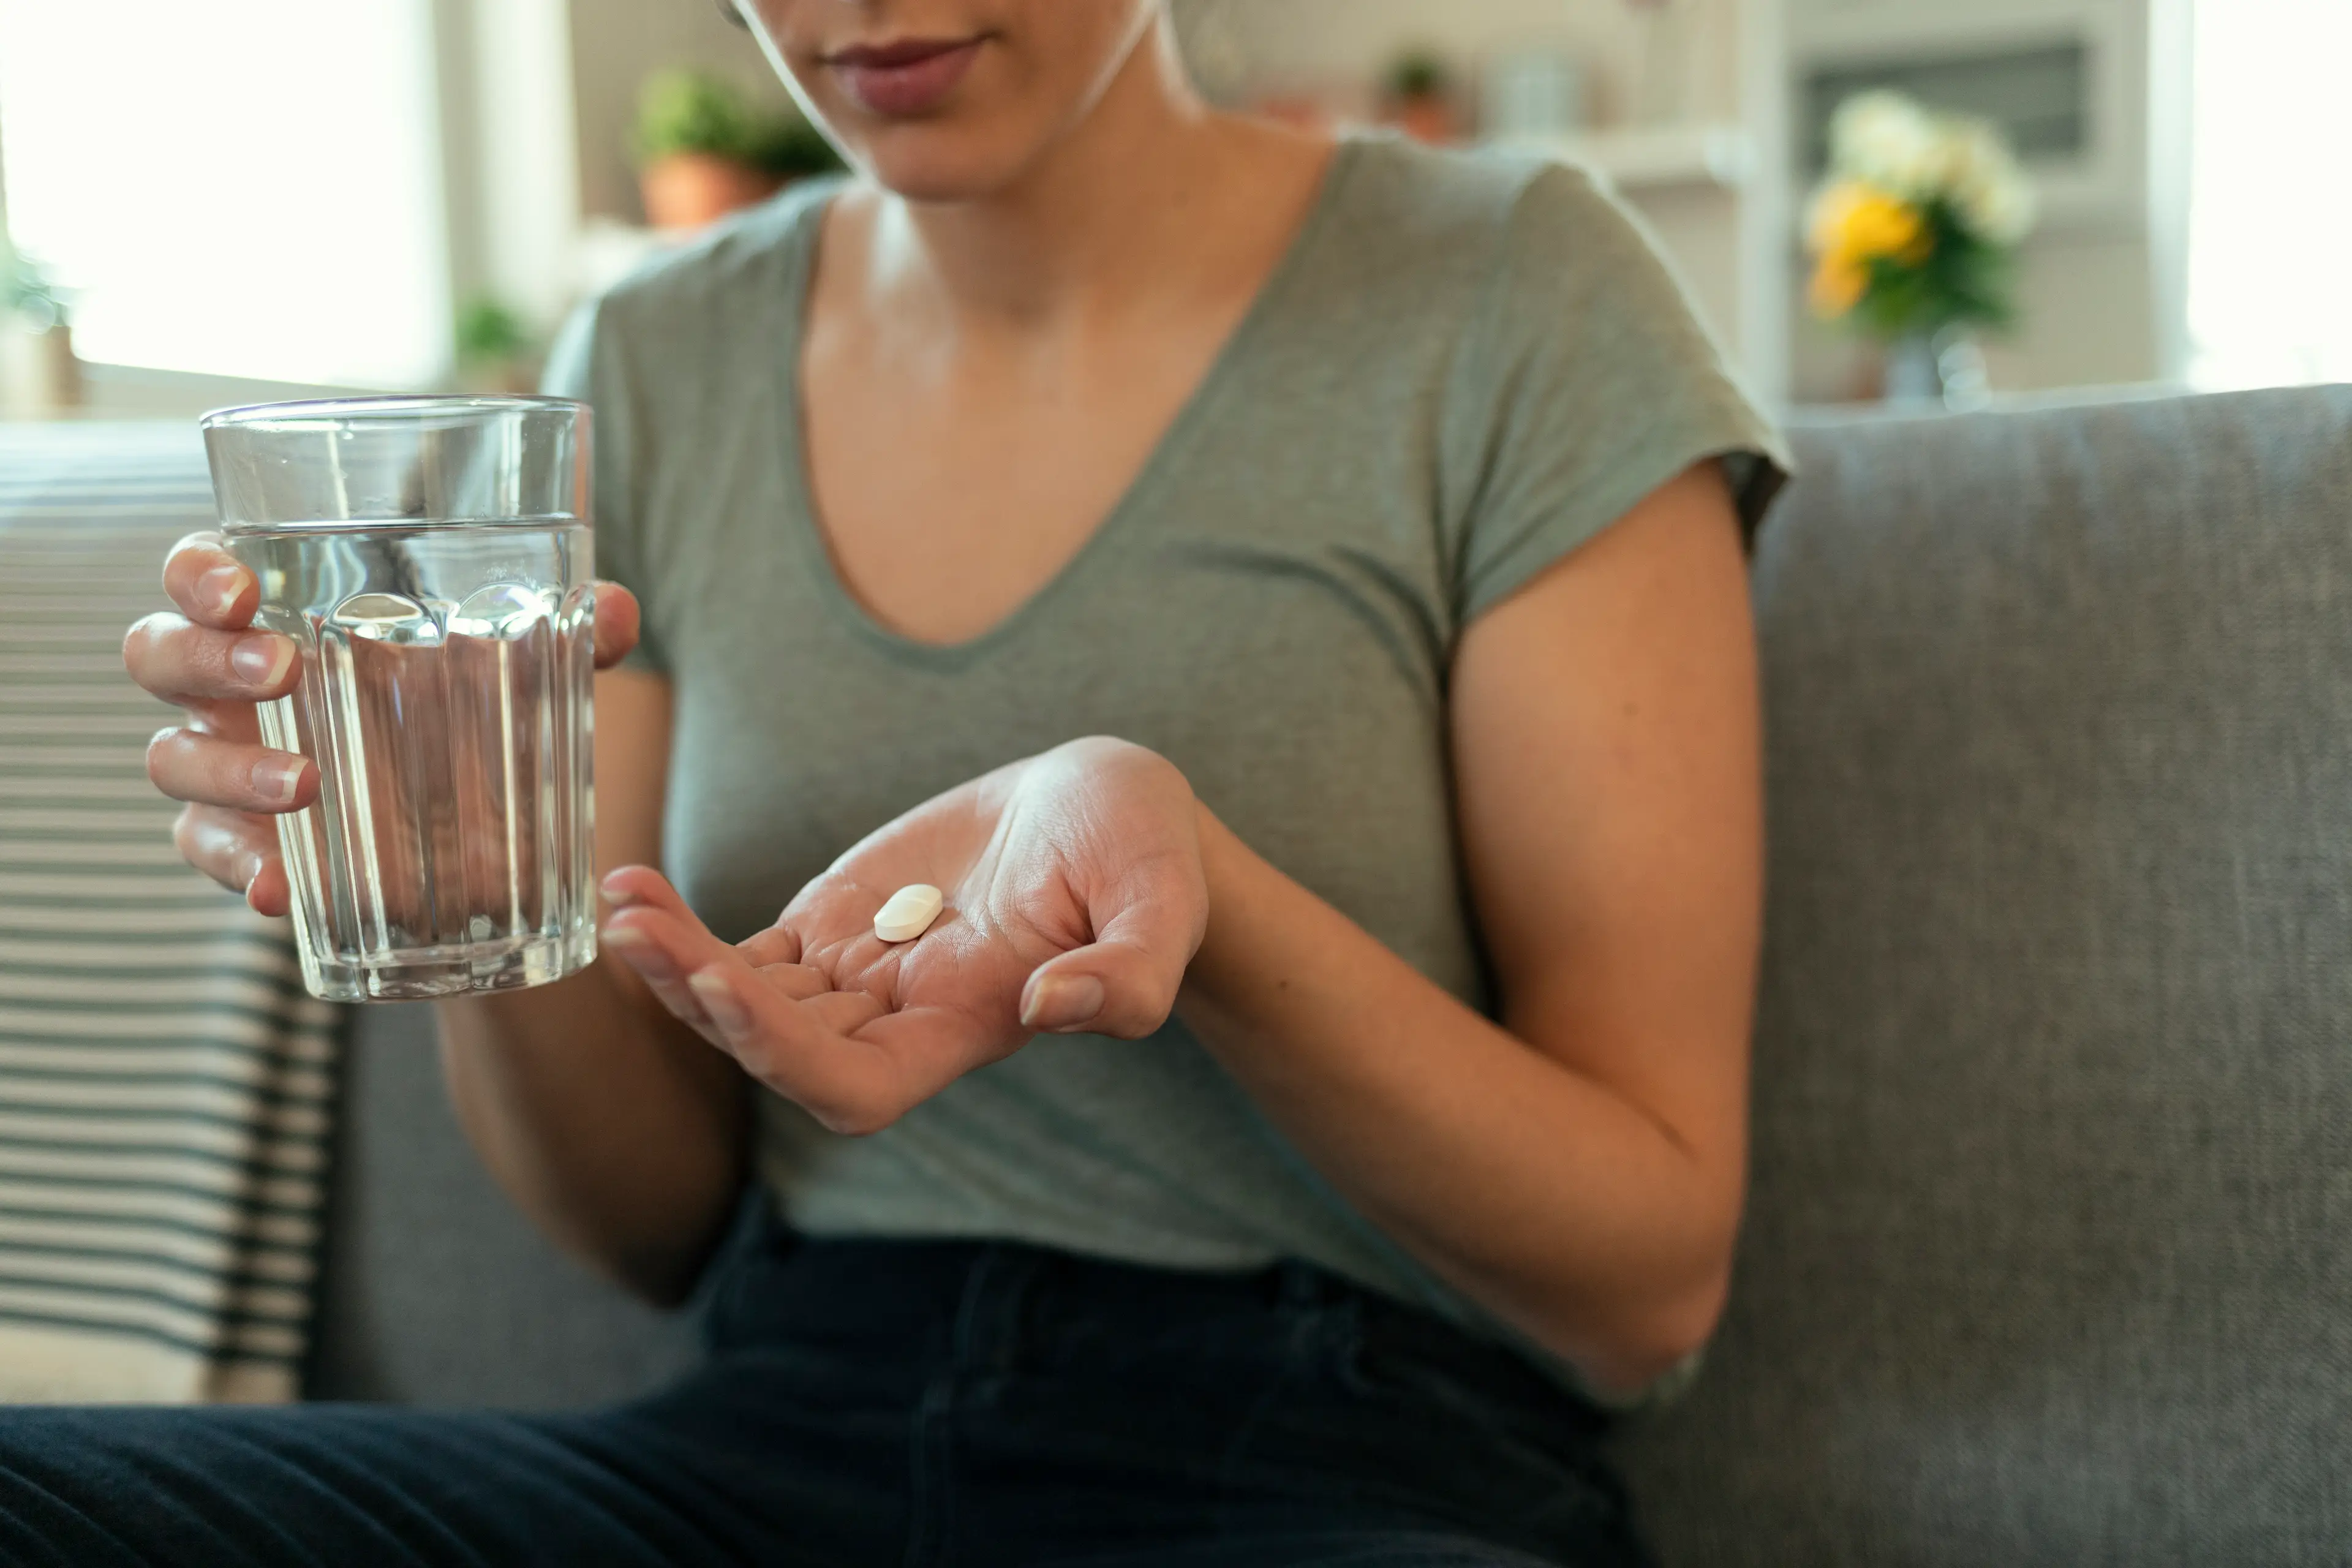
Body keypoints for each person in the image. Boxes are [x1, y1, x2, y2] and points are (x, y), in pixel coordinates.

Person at [40, 1, 1788, 1562]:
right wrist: (471, 879)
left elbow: (1645, 1291)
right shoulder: (654, 356)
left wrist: (1202, 893)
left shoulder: (1519, 291)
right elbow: (652, 1228)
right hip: (779, 1430)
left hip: (1347, 1447)